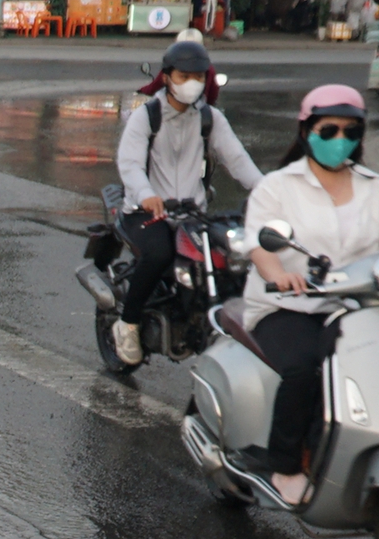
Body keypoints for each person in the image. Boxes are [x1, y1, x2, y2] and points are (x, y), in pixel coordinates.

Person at [240, 84, 379, 506]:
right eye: (328, 131)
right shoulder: (277, 186)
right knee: (306, 367)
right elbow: (258, 243)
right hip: (287, 306)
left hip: (354, 308)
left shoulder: (373, 187)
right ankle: (287, 464)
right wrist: (279, 275)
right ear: (307, 131)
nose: (339, 140)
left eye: (350, 131)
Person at [106, 37, 266, 368]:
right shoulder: (146, 117)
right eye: (183, 76)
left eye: (197, 77)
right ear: (166, 77)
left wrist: (269, 190)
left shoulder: (211, 119)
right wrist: (146, 195)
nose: (191, 83)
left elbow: (237, 160)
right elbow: (130, 164)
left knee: (234, 257)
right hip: (145, 212)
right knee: (159, 252)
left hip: (193, 213)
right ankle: (128, 324)